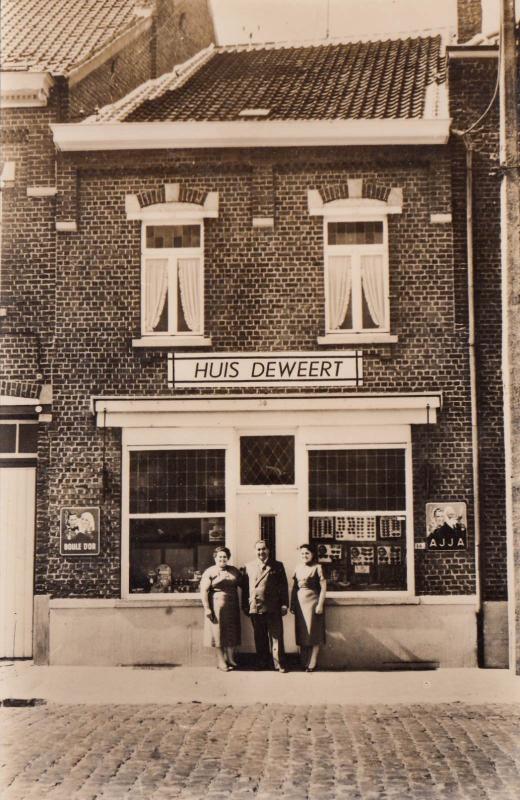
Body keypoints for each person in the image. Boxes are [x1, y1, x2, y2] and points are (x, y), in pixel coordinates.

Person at [242, 540, 289, 673]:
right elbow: (245, 588)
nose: (261, 552)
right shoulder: (248, 566)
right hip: (255, 607)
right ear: (255, 551)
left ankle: (279, 664)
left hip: (273, 607)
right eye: (258, 549)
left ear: (268, 550)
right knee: (260, 636)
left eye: (263, 549)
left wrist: (285, 604)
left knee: (276, 636)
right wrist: (245, 606)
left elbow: (283, 587)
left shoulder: (277, 566)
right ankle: (262, 662)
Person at [200, 546, 242, 671]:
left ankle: (230, 658)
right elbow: (203, 591)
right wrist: (207, 608)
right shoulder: (209, 572)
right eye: (220, 557)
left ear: (228, 558)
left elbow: (244, 583)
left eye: (224, 557)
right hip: (216, 608)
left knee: (231, 633)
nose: (222, 559)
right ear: (215, 558)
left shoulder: (234, 571)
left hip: (232, 606)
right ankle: (221, 661)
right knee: (217, 634)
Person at [290, 543, 326, 671]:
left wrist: (320, 604)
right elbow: (294, 588)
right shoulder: (298, 568)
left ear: (312, 554)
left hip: (313, 604)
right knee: (302, 632)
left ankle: (313, 661)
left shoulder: (318, 567)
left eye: (307, 553)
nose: (305, 555)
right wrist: (292, 604)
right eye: (302, 554)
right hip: (300, 604)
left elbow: (323, 588)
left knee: (314, 633)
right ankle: (304, 660)